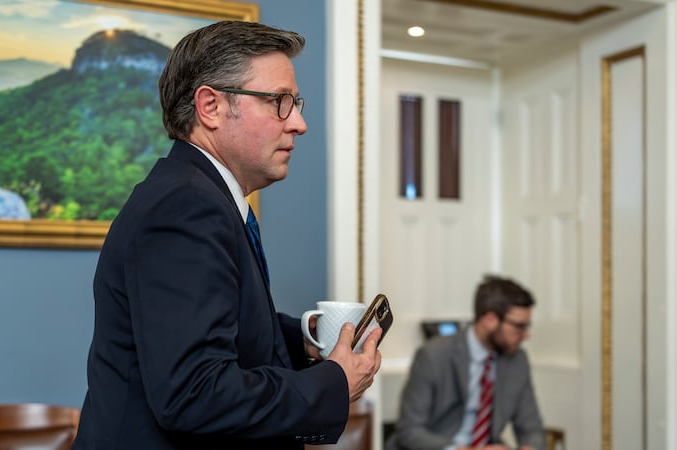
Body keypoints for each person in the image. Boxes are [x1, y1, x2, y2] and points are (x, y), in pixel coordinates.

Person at [72, 20, 382, 450]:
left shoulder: (198, 195)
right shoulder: (186, 207)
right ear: (211, 106)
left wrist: (307, 337)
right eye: (280, 102)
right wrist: (335, 383)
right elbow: (194, 392)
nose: (299, 123)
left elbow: (216, 325)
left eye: (296, 103)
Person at [386, 275, 545, 450]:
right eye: (519, 326)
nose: (526, 334)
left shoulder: (517, 360)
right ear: (490, 320)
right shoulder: (433, 355)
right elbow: (409, 431)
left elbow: (532, 429)